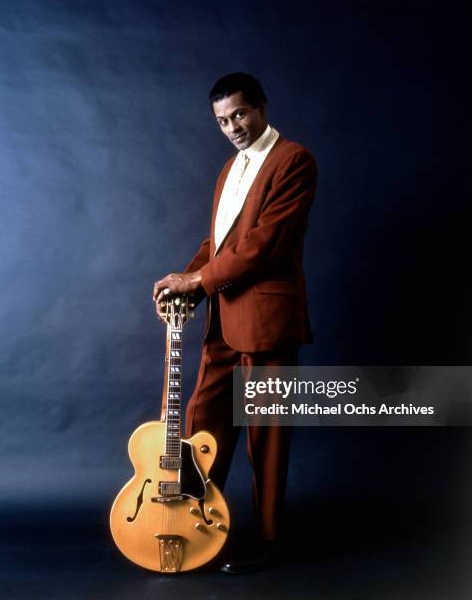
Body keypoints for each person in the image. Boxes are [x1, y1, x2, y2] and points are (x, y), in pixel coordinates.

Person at [153, 72, 317, 574]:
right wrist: (186, 274)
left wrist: (197, 283)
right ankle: (200, 523)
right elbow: (221, 243)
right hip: (224, 319)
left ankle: (267, 539)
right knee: (203, 422)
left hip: (267, 318)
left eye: (240, 115)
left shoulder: (294, 160)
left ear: (262, 108)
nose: (232, 127)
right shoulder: (229, 169)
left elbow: (262, 246)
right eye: (223, 120)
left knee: (265, 437)